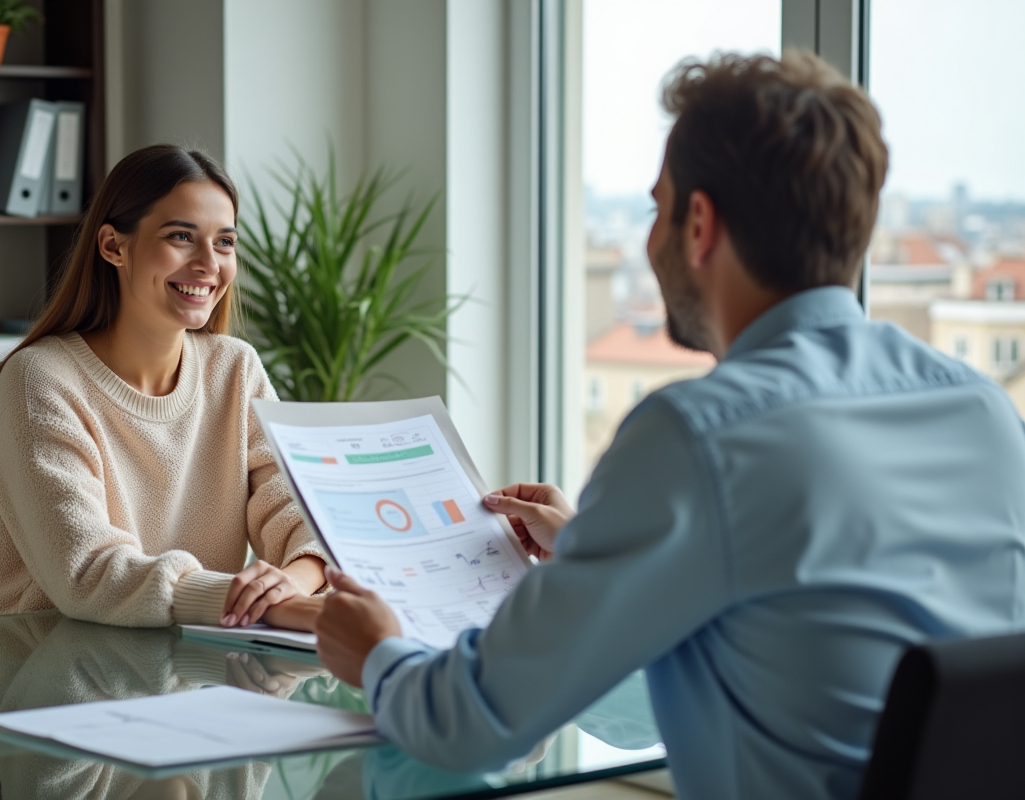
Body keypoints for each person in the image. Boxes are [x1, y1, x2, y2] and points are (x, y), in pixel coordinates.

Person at [312, 51, 1025, 800]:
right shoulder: (982, 411)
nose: (648, 242)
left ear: (699, 223)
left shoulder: (699, 438)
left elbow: (474, 724)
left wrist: (377, 653)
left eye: (657, 208)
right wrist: (601, 546)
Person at [0, 144, 325, 630]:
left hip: (193, 664)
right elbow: (87, 572)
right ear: (114, 246)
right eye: (182, 236)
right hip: (54, 673)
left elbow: (300, 515)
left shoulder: (235, 369)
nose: (209, 263)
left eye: (224, 242)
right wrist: (271, 607)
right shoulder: (40, 379)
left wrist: (296, 585)